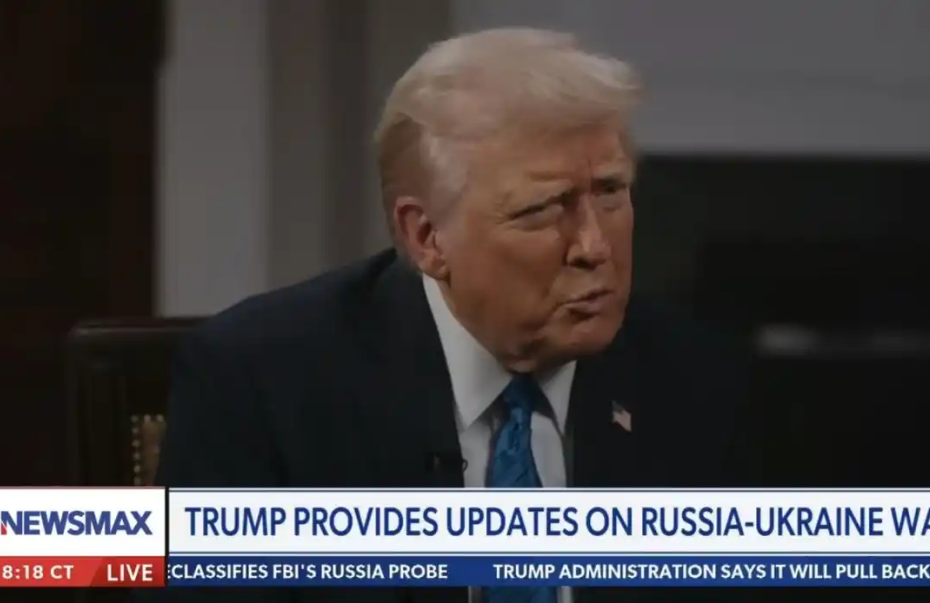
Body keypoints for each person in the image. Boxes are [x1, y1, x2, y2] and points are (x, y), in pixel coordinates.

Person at [147, 27, 756, 603]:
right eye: (543, 209)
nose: (594, 247)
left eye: (611, 192)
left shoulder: (696, 378)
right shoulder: (263, 383)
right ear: (427, 237)